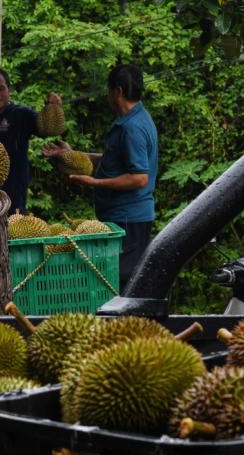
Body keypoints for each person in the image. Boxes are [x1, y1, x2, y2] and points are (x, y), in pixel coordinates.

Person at [42, 64, 158, 291]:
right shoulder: (135, 120)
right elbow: (113, 160)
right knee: (118, 278)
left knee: (123, 282)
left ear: (118, 91)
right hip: (125, 217)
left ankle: (125, 324)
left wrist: (95, 182)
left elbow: (139, 178)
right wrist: (73, 154)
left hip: (128, 219)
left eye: (108, 90)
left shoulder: (131, 128)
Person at [0, 67, 62, 214]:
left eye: (1, 88)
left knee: (10, 232)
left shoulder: (21, 115)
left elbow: (46, 129)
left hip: (13, 193)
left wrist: (51, 107)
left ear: (9, 89)